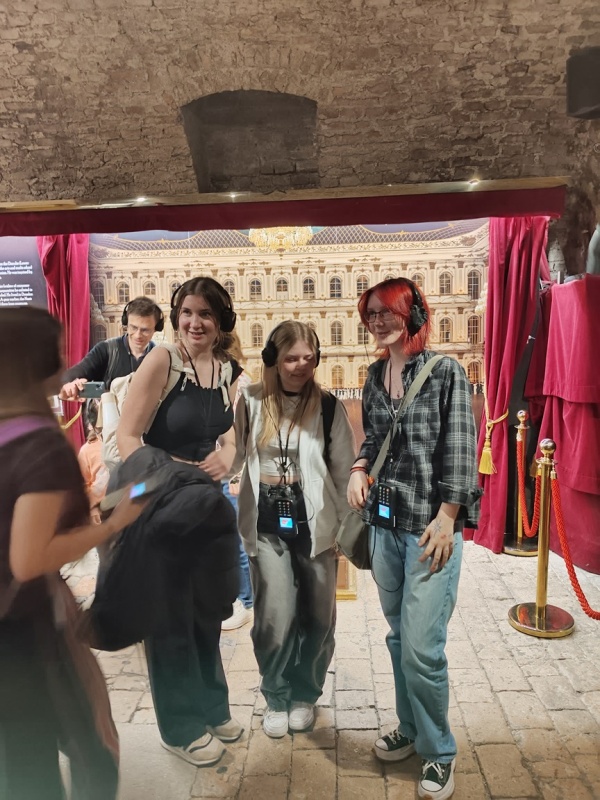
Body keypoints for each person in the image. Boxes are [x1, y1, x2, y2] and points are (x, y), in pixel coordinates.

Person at [0, 306, 145, 800]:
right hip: (22, 634)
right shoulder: (41, 445)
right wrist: (115, 523)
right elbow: (29, 557)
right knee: (80, 750)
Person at [347, 278, 480, 800]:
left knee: (423, 650)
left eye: (387, 312)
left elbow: (461, 447)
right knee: (400, 638)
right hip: (385, 527)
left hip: (430, 531)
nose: (378, 322)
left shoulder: (445, 371)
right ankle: (410, 728)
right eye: (371, 314)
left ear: (414, 314)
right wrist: (359, 467)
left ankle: (439, 751)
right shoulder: (374, 375)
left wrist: (448, 516)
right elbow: (376, 439)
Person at [116, 277, 243, 767]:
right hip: (162, 503)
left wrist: (227, 456)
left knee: (206, 612)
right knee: (169, 618)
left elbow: (229, 436)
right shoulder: (163, 360)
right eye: (187, 312)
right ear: (176, 316)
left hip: (206, 506)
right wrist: (176, 472)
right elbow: (128, 437)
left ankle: (211, 708)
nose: (195, 322)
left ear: (220, 321)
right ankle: (180, 727)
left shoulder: (225, 369)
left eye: (206, 313)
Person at [234, 321, 356, 738]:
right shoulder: (250, 400)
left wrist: (343, 529)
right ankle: (276, 693)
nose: (301, 366)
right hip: (266, 520)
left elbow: (344, 470)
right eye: (290, 358)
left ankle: (305, 693)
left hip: (316, 520)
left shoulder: (328, 406)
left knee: (319, 616)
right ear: (272, 359)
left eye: (308, 358)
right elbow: (230, 454)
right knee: (276, 612)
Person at [60, 295, 164, 400]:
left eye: (145, 330)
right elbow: (69, 376)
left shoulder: (160, 357)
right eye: (133, 327)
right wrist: (69, 385)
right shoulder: (105, 350)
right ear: (126, 323)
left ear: (156, 328)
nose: (138, 335)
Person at [77, 399, 110, 524]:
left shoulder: (125, 443)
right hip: (101, 511)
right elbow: (83, 485)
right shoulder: (87, 451)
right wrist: (93, 509)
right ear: (92, 425)